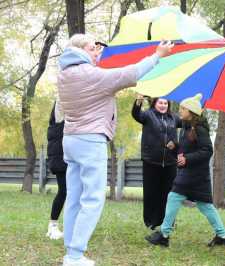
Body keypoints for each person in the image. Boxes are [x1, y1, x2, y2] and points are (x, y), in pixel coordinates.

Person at [58, 33, 173, 266]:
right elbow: (129, 74)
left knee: (74, 197)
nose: (97, 51)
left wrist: (96, 58)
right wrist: (157, 55)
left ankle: (71, 251)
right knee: (92, 198)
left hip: (71, 139)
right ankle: (74, 255)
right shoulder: (89, 74)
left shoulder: (64, 74)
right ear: (79, 50)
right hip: (90, 140)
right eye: (92, 48)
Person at [145, 93, 225, 248]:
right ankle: (222, 235)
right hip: (191, 175)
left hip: (195, 176)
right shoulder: (186, 127)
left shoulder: (199, 129)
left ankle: (164, 235)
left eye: (183, 109)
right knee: (204, 206)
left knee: (175, 197)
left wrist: (187, 159)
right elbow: (184, 151)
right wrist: (174, 148)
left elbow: (207, 151)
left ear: (191, 112)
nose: (180, 111)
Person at [131, 94, 181, 230]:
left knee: (169, 193)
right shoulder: (148, 115)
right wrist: (139, 100)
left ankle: (168, 221)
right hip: (151, 161)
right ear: (154, 104)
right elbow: (136, 114)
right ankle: (151, 221)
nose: (163, 105)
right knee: (151, 193)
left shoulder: (174, 118)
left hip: (170, 162)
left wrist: (176, 144)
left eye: (165, 103)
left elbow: (189, 122)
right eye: (160, 103)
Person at [46, 100, 67, 240]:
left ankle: (55, 225)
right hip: (60, 160)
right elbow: (60, 100)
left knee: (66, 191)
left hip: (62, 159)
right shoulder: (59, 120)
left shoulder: (57, 123)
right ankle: (52, 226)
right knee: (64, 191)